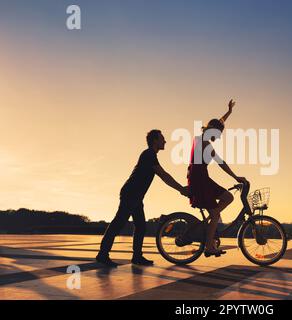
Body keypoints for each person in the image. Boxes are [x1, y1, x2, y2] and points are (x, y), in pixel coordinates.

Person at [96, 130, 189, 267]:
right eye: (162, 139)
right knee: (118, 223)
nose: (165, 141)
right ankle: (103, 255)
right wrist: (181, 189)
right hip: (131, 194)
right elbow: (163, 175)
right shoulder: (149, 154)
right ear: (155, 140)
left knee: (140, 226)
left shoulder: (150, 155)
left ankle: (137, 257)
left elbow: (163, 175)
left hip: (136, 196)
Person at [187, 99, 248, 257]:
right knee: (218, 210)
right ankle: (209, 245)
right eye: (219, 134)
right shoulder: (205, 143)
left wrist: (229, 112)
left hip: (200, 177)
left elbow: (218, 122)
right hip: (199, 180)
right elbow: (220, 162)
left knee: (225, 200)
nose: (219, 137)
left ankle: (211, 227)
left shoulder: (201, 137)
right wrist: (236, 177)